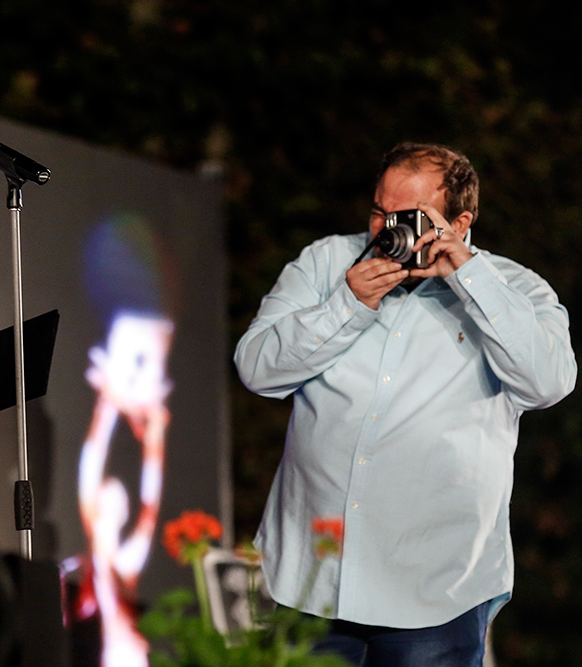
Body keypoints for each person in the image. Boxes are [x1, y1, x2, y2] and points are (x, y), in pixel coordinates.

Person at [234, 142, 576, 667]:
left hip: (435, 590)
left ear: (459, 221)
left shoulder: (516, 288)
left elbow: (548, 381)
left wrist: (471, 279)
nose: (385, 230)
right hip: (309, 580)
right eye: (377, 210)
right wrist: (346, 306)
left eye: (406, 217)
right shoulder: (326, 263)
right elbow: (257, 369)